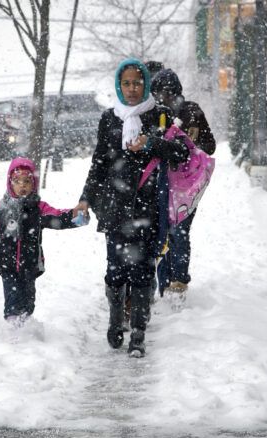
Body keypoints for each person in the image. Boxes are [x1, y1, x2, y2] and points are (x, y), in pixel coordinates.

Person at [74, 58, 189, 357]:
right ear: (118, 85)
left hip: (149, 208)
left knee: (141, 271)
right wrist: (85, 198)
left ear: (146, 83)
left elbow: (181, 153)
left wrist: (151, 142)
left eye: (138, 82)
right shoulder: (109, 118)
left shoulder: (160, 116)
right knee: (115, 271)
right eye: (126, 83)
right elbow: (99, 163)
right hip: (115, 209)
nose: (132, 88)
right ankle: (115, 320)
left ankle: (138, 332)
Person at [0, 157, 89, 325]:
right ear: (10, 183)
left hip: (30, 263)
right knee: (12, 297)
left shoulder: (39, 209)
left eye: (27, 181)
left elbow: (57, 217)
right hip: (7, 264)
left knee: (28, 299)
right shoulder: (0, 209)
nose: (22, 185)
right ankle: (13, 326)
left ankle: (26, 325)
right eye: (17, 181)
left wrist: (74, 217)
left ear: (33, 184)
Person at [150, 68, 216, 298]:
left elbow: (210, 146)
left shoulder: (190, 112)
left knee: (178, 230)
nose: (163, 98)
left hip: (185, 188)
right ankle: (165, 282)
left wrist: (190, 151)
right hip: (164, 184)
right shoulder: (156, 115)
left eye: (166, 92)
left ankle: (177, 281)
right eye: (158, 93)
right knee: (164, 230)